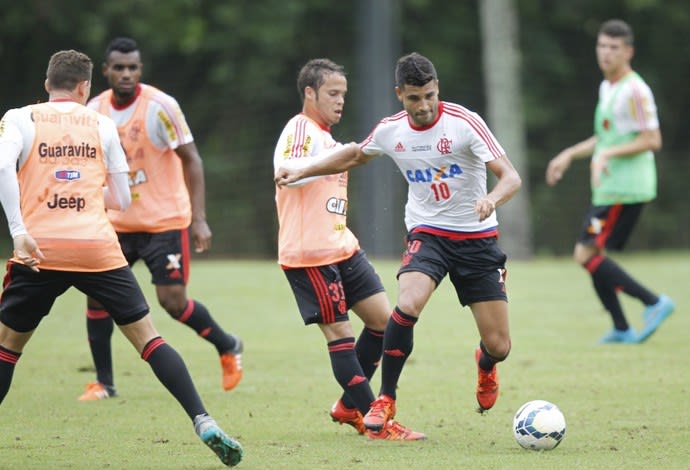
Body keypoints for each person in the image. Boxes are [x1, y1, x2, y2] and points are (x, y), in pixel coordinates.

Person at [0, 49, 242, 467]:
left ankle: (104, 382)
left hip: (40, 248)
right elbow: (122, 198)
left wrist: (19, 231)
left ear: (46, 85)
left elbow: (4, 166)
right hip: (97, 245)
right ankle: (202, 419)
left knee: (8, 348)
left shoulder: (20, 117)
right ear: (85, 87)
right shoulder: (102, 123)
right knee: (150, 339)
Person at [275, 52, 522, 433]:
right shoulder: (391, 130)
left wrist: (492, 199)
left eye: (430, 96)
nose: (423, 106)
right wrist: (303, 170)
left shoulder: (465, 122)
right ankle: (385, 399)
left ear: (437, 89)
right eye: (414, 98)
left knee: (500, 344)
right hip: (429, 233)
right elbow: (354, 156)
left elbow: (510, 177)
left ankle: (486, 364)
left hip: (476, 238)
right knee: (406, 304)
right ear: (399, 95)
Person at [77, 37, 242, 401]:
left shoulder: (161, 106)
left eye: (132, 67)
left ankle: (228, 345)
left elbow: (192, 160)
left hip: (164, 222)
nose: (126, 74)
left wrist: (199, 219)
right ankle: (104, 383)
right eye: (118, 67)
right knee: (97, 298)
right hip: (116, 222)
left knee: (172, 301)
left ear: (140, 69)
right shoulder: (93, 109)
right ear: (105, 71)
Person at [273, 58, 425, 440]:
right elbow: (287, 172)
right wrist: (337, 157)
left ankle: (347, 406)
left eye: (344, 94)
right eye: (332, 93)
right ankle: (379, 423)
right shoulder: (300, 128)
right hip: (311, 256)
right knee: (339, 334)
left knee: (383, 323)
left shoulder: (328, 139)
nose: (341, 101)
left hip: (343, 247)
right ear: (310, 93)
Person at [545, 19, 674, 344]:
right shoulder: (609, 88)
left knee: (584, 254)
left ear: (627, 51)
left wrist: (607, 155)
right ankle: (621, 327)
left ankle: (653, 302)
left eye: (614, 47)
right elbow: (604, 138)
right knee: (592, 256)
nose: (606, 53)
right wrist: (570, 154)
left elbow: (652, 139)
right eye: (602, 46)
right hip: (609, 186)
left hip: (626, 188)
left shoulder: (635, 90)